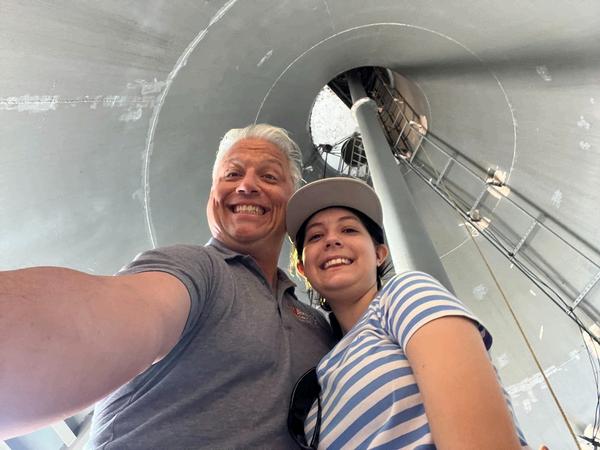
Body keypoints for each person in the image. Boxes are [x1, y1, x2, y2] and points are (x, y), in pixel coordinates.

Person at [0, 124, 334, 448]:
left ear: (292, 200)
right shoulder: (195, 269)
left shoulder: (316, 325)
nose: (246, 185)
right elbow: (103, 319)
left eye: (269, 176)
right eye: (232, 174)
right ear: (213, 197)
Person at [285, 177, 530, 449]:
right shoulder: (322, 373)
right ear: (303, 268)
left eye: (349, 230)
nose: (331, 240)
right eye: (316, 236)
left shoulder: (405, 293)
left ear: (380, 254)